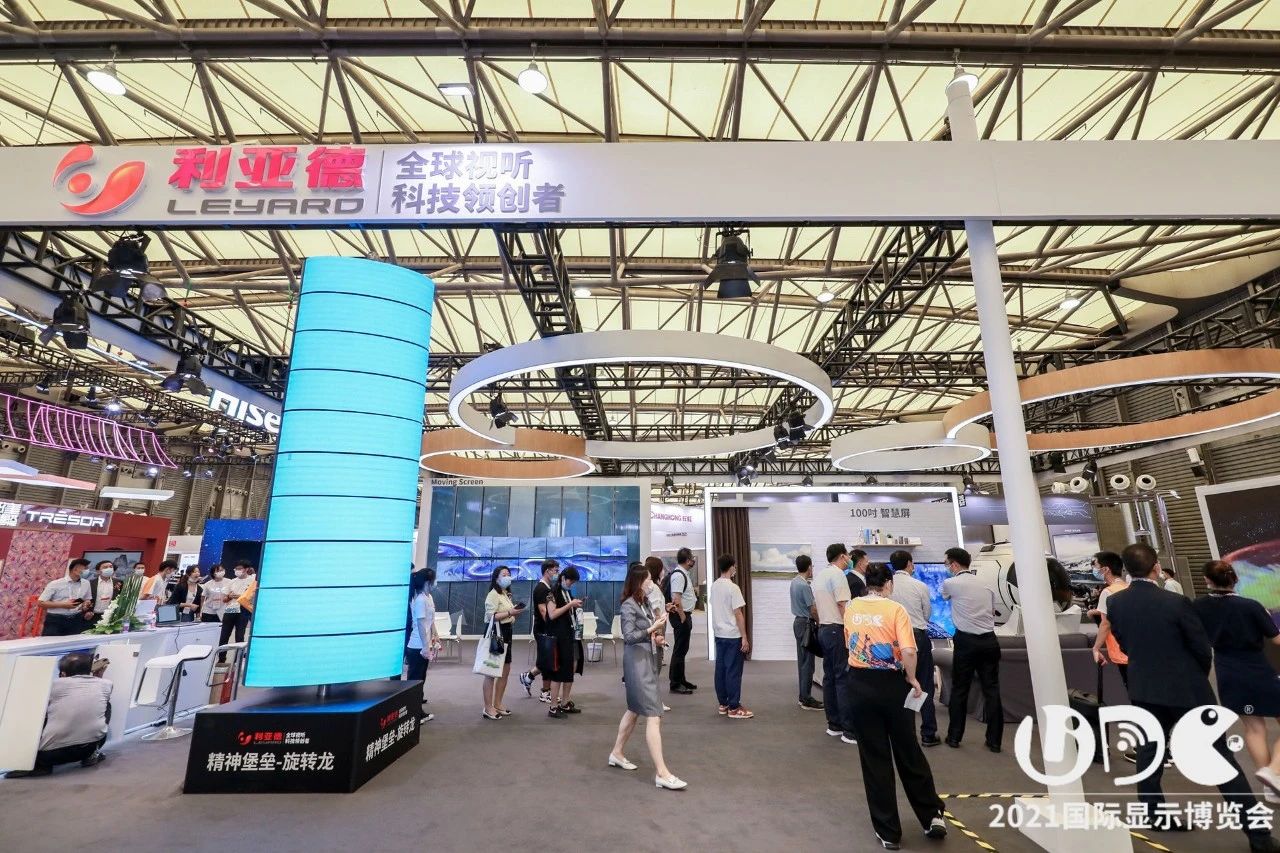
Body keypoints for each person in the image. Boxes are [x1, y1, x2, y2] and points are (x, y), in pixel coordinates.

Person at [1108, 542, 1279, 850]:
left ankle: (1155, 815)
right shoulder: (1176, 602)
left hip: (1144, 688)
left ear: (1126, 570)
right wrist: (1195, 676)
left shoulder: (1116, 602)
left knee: (1149, 753)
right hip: (1188, 689)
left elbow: (1123, 642)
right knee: (1220, 758)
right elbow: (1201, 648)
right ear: (1156, 567)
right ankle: (1258, 836)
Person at [844, 563, 948, 850]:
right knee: (908, 750)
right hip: (893, 685)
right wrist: (912, 678)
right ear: (888, 583)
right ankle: (931, 816)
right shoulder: (895, 609)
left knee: (874, 758)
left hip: (859, 685)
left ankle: (888, 831)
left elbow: (849, 642)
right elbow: (909, 650)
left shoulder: (851, 607)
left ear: (867, 582)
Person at [1193, 560, 1280, 806]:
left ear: (1207, 580)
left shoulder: (1198, 606)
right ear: (1235, 579)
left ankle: (1271, 787)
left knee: (1253, 728)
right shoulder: (1251, 606)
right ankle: (1273, 770)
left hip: (1227, 671)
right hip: (1258, 669)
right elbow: (1276, 639)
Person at [609, 563, 686, 789]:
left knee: (634, 710)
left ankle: (617, 752)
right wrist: (652, 630)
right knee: (653, 714)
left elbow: (644, 632)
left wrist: (657, 637)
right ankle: (662, 773)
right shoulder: (628, 605)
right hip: (636, 664)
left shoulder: (643, 602)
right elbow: (629, 636)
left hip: (645, 660)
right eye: (648, 580)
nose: (651, 583)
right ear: (639, 582)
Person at [4, 652, 111, 778]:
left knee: (34, 713)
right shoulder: (106, 684)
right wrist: (98, 677)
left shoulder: (52, 686)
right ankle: (91, 756)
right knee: (107, 706)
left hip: (49, 756)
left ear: (63, 674)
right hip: (89, 748)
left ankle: (36, 765)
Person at [941, 546, 1003, 752]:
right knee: (992, 690)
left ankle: (954, 737)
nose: (947, 568)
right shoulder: (986, 583)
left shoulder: (950, 583)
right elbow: (992, 610)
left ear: (954, 564)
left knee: (960, 689)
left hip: (966, 642)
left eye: (947, 564)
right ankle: (995, 741)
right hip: (989, 641)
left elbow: (944, 597)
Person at [889, 550, 939, 747]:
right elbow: (927, 614)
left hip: (894, 639)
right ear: (909, 564)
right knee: (924, 684)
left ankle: (903, 733)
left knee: (898, 685)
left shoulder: (888, 586)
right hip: (917, 636)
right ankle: (928, 733)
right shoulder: (919, 585)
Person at [815, 543, 856, 742]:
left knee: (829, 678)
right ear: (842, 556)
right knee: (843, 679)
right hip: (837, 629)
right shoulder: (838, 575)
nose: (850, 559)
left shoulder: (820, 575)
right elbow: (842, 605)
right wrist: (851, 629)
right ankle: (849, 730)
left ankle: (834, 725)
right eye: (848, 555)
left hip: (824, 629)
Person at [710, 554, 753, 720]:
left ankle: (723, 703)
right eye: (734, 566)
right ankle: (734, 707)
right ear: (731, 567)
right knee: (733, 671)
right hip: (732, 635)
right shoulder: (733, 588)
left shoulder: (714, 586)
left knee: (721, 669)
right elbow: (738, 613)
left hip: (719, 634)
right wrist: (744, 637)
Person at [482, 565, 525, 720]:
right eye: (504, 574)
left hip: (507, 633)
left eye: (508, 574)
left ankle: (498, 703)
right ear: (496, 578)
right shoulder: (493, 594)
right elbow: (491, 616)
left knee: (505, 670)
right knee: (491, 671)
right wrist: (510, 612)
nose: (507, 577)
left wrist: (513, 612)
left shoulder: (505, 594)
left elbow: (508, 615)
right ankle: (488, 707)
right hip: (496, 633)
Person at [543, 564, 584, 719]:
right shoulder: (552, 593)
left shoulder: (567, 593)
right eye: (570, 581)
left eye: (573, 583)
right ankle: (553, 706)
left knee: (569, 671)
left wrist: (575, 605)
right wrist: (570, 605)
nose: (571, 584)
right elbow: (552, 614)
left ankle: (565, 702)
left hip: (569, 636)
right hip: (558, 638)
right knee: (558, 673)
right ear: (563, 578)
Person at [1088, 551, 1129, 687]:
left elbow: (1106, 624)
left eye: (1095, 565)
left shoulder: (1108, 592)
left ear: (1106, 569)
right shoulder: (1128, 587)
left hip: (1121, 651)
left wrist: (1096, 648)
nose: (1094, 569)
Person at [520, 559, 557, 704]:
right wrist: (554, 624)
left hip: (547, 629)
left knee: (545, 660)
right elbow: (543, 611)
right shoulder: (541, 589)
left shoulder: (549, 587)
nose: (557, 573)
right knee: (547, 661)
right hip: (543, 630)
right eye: (555, 570)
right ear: (547, 571)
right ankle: (545, 692)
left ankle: (528, 677)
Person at [790, 554, 823, 711]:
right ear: (809, 567)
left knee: (803, 661)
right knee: (807, 664)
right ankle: (806, 699)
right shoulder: (804, 586)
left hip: (798, 623)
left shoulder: (794, 582)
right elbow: (813, 609)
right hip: (806, 624)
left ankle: (803, 696)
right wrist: (820, 622)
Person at [405, 567, 439, 723]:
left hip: (424, 644)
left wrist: (435, 636)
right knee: (415, 681)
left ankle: (417, 711)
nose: (435, 583)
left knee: (421, 679)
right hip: (417, 646)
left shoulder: (428, 597)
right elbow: (420, 624)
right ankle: (413, 714)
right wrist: (425, 646)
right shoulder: (419, 600)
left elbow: (430, 621)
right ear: (427, 582)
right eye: (434, 580)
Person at [665, 548, 697, 694]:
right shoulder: (679, 575)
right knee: (679, 650)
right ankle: (675, 683)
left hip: (683, 616)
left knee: (682, 649)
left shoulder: (683, 574)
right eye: (692, 558)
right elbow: (676, 598)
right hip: (680, 617)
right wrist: (683, 616)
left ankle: (681, 679)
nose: (693, 561)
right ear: (687, 560)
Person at [38, 558, 92, 636]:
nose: (88, 571)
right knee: (51, 642)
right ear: (75, 570)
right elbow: (41, 603)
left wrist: (86, 604)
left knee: (73, 642)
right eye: (85, 568)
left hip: (76, 619)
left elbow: (87, 599)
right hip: (56, 619)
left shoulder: (86, 583)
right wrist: (63, 605)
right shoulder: (55, 584)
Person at [218, 561, 255, 653]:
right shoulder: (232, 581)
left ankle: (238, 658)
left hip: (243, 611)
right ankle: (221, 658)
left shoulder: (252, 581)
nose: (237, 570)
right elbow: (224, 599)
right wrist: (229, 596)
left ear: (246, 569)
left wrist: (241, 597)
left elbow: (253, 597)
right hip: (230, 610)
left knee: (239, 636)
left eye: (240, 569)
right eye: (236, 569)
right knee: (224, 635)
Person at [87, 561, 120, 627]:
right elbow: (85, 599)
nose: (109, 568)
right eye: (105, 567)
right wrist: (87, 612)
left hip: (110, 617)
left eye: (111, 567)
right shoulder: (90, 583)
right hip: (92, 616)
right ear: (98, 571)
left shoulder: (118, 582)